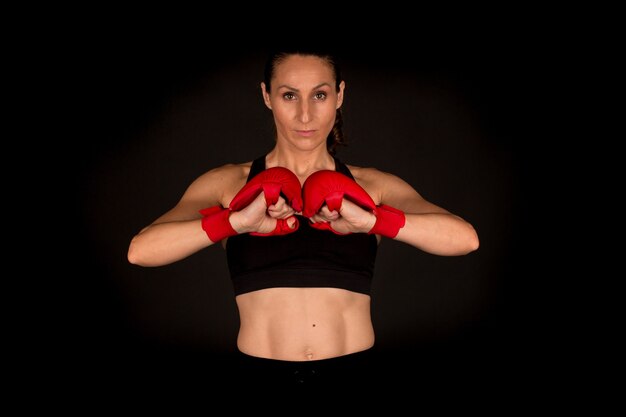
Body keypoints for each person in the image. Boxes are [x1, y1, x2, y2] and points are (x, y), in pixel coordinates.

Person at [127, 49, 479, 390]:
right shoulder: (230, 184)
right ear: (267, 96)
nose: (305, 115)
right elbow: (141, 250)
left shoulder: (370, 187)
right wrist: (236, 223)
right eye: (290, 95)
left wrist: (371, 221)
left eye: (320, 95)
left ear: (339, 95)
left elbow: (465, 239)